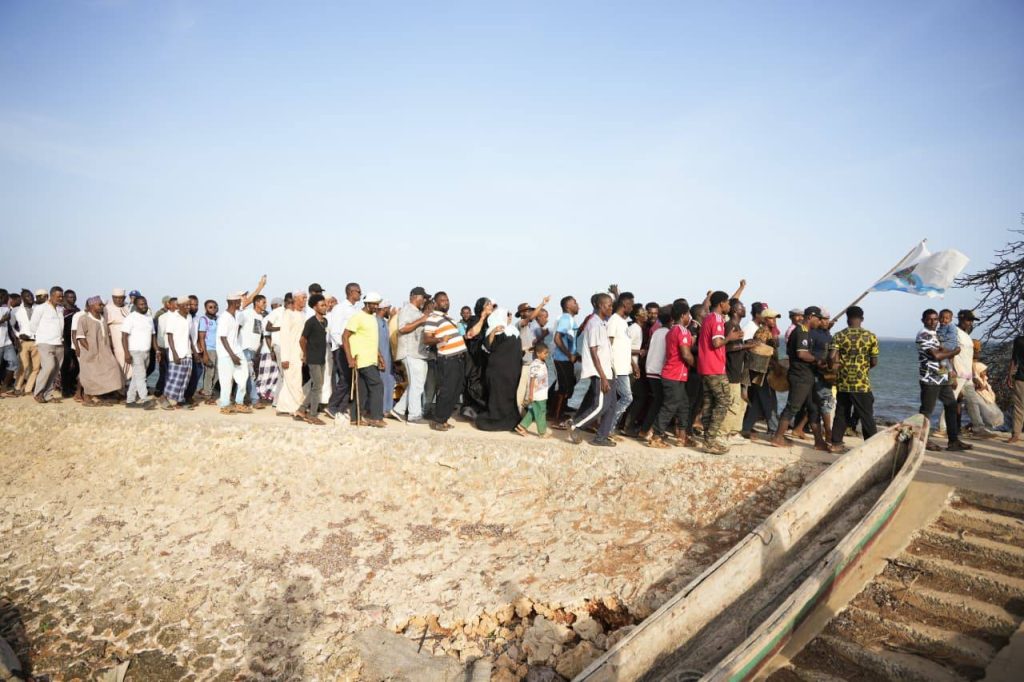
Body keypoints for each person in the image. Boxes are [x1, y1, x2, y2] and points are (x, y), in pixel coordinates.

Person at [770, 306, 829, 451]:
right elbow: (802, 354)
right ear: (810, 317)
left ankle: (819, 442)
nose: (820, 322)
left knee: (814, 407)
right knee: (792, 407)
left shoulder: (806, 331)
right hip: (800, 376)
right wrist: (818, 360)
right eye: (818, 319)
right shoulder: (801, 331)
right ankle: (778, 437)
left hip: (807, 375)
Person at [423, 292, 485, 431]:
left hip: (459, 358)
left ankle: (444, 419)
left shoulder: (449, 318)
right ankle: (438, 421)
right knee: (447, 391)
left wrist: (466, 336)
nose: (446, 302)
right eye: (442, 300)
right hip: (447, 359)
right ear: (435, 303)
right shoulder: (433, 318)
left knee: (456, 391)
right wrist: (440, 339)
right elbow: (426, 339)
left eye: (447, 300)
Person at [915, 308, 972, 452]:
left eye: (935, 319)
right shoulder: (924, 334)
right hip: (929, 378)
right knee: (926, 411)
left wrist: (950, 373)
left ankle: (953, 441)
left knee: (951, 405)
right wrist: (955, 351)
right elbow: (936, 356)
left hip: (941, 377)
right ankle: (923, 440)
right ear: (923, 320)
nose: (933, 322)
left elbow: (942, 355)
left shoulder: (935, 334)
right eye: (929, 319)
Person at [568, 293, 618, 447]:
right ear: (601, 306)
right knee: (600, 405)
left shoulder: (602, 323)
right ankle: (575, 425)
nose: (611, 308)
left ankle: (601, 437)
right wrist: (603, 376)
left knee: (611, 406)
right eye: (609, 305)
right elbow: (593, 352)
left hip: (608, 370)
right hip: (601, 372)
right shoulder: (595, 324)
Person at [939, 310, 997, 439]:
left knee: (973, 402)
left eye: (971, 321)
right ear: (960, 319)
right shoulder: (954, 332)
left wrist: (975, 376)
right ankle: (942, 428)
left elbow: (969, 358)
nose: (970, 323)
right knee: (950, 401)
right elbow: (947, 353)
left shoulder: (967, 336)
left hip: (968, 376)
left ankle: (978, 428)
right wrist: (950, 373)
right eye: (968, 320)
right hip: (957, 374)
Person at [698, 291, 744, 454]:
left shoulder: (708, 318)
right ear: (721, 304)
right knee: (724, 402)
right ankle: (710, 440)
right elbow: (717, 343)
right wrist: (730, 338)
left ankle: (708, 440)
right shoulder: (717, 319)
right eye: (728, 303)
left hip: (705, 367)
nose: (729, 306)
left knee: (709, 403)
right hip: (715, 368)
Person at [828, 306, 879, 452]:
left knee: (841, 412)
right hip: (861, 382)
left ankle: (836, 443)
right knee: (866, 415)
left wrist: (834, 367)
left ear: (847, 319)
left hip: (843, 381)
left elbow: (831, 357)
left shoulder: (839, 335)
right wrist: (863, 368)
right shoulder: (870, 336)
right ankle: (872, 445)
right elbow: (874, 361)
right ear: (862, 318)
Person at [649, 302, 695, 448]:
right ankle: (656, 436)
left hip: (675, 374)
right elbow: (686, 354)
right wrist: (697, 365)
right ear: (683, 315)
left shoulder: (671, 331)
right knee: (670, 406)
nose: (689, 318)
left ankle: (682, 437)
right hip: (674, 374)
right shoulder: (681, 331)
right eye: (688, 314)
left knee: (683, 405)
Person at [476, 307, 524, 432]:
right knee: (499, 396)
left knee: (506, 396)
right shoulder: (497, 331)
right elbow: (488, 347)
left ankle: (506, 420)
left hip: (509, 371)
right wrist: (493, 332)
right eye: (507, 315)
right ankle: (499, 420)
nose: (510, 317)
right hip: (500, 371)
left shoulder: (512, 330)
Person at [343, 291, 386, 427]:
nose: (376, 307)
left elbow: (371, 339)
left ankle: (355, 418)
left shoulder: (372, 318)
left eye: (377, 304)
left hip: (371, 358)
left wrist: (380, 356)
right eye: (374, 304)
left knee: (362, 390)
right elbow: (345, 336)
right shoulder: (358, 317)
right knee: (377, 385)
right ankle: (376, 417)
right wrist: (349, 359)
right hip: (361, 358)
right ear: (367, 304)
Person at [392, 287, 433, 424]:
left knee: (416, 385)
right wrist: (422, 320)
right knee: (417, 386)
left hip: (419, 353)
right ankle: (414, 416)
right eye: (423, 297)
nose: (425, 300)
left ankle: (398, 410)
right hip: (410, 352)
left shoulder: (417, 312)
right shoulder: (407, 310)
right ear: (414, 296)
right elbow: (402, 328)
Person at [741, 308, 781, 439]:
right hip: (762, 371)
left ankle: (746, 428)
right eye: (771, 318)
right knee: (768, 400)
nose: (774, 321)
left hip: (761, 371)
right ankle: (774, 430)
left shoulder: (767, 331)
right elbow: (761, 352)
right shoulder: (763, 332)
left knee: (758, 402)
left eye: (775, 318)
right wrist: (774, 364)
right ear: (764, 319)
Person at [75, 296, 124, 404]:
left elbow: (107, 335)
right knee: (90, 374)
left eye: (102, 304)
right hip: (90, 352)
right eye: (100, 304)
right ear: (92, 306)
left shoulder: (102, 318)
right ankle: (87, 396)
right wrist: (89, 349)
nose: (102, 306)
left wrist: (110, 347)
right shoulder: (84, 318)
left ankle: (109, 393)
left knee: (113, 369)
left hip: (105, 351)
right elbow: (80, 337)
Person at [327, 282, 362, 420]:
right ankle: (332, 406)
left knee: (351, 379)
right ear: (351, 292)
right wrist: (344, 347)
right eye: (358, 291)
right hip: (342, 348)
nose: (360, 294)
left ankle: (341, 408)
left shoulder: (356, 310)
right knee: (345, 378)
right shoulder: (340, 308)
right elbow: (335, 331)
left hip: (353, 349)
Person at [216, 292, 252, 415]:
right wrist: (232, 355)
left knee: (243, 376)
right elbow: (222, 337)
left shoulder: (236, 315)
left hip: (237, 351)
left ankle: (239, 403)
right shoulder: (224, 317)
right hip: (226, 354)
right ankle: (225, 405)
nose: (241, 302)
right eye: (239, 301)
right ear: (234, 302)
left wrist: (260, 286)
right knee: (226, 380)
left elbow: (248, 301)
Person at [121, 295, 157, 409]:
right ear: (136, 306)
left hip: (146, 351)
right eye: (141, 304)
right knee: (141, 376)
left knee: (137, 377)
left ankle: (130, 400)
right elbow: (124, 336)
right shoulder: (130, 318)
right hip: (135, 351)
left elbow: (153, 335)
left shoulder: (149, 318)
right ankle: (145, 399)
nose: (144, 306)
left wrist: (157, 350)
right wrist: (126, 353)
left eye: (145, 303)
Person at [276, 291, 308, 418]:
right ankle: (296, 407)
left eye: (306, 298)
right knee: (292, 380)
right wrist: (285, 358)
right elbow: (284, 337)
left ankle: (283, 407)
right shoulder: (288, 314)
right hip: (289, 354)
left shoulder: (303, 315)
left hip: (299, 352)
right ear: (295, 299)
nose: (305, 300)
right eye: (303, 298)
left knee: (293, 380)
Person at [31, 286, 66, 403]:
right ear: (51, 296)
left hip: (59, 342)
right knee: (48, 367)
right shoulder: (41, 308)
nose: (60, 298)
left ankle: (47, 395)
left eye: (61, 296)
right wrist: (41, 336)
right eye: (58, 296)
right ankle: (38, 393)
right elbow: (33, 326)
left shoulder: (60, 309)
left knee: (55, 370)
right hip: (45, 342)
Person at [514, 297, 550, 409]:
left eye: (530, 310)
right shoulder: (520, 324)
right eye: (527, 310)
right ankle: (519, 412)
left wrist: (541, 337)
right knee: (521, 392)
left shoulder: (529, 327)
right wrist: (542, 304)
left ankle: (525, 413)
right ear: (521, 313)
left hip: (531, 363)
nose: (530, 312)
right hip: (525, 364)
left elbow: (532, 343)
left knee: (530, 393)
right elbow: (530, 318)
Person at [299, 294, 330, 425]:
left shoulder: (325, 321)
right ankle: (312, 415)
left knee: (317, 385)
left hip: (321, 358)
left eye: (325, 305)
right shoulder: (310, 322)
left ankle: (301, 410)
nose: (325, 307)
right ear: (315, 307)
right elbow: (302, 340)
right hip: (313, 359)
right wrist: (305, 355)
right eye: (322, 305)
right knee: (317, 386)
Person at [607, 295, 636, 433]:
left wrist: (633, 364)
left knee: (620, 399)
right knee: (626, 398)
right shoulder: (614, 320)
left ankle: (608, 427)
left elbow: (625, 347)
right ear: (625, 305)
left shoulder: (623, 322)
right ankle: (609, 428)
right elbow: (608, 344)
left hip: (624, 368)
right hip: (616, 368)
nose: (632, 308)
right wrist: (609, 366)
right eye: (631, 305)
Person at [551, 295, 580, 424]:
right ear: (568, 306)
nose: (578, 305)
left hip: (566, 359)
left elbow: (569, 341)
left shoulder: (570, 319)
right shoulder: (566, 318)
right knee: (564, 388)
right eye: (575, 303)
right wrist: (569, 355)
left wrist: (576, 355)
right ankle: (556, 417)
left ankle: (558, 413)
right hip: (562, 359)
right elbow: (557, 338)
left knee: (568, 386)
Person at [163, 294, 195, 410]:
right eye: (186, 305)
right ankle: (165, 399)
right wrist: (174, 353)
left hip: (187, 353)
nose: (188, 307)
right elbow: (170, 336)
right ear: (179, 306)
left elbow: (189, 336)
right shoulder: (173, 317)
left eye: (189, 305)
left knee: (184, 379)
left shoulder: (189, 317)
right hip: (177, 353)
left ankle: (178, 401)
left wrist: (194, 352)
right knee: (173, 379)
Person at [238, 294, 268, 408]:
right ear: (256, 303)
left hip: (253, 351)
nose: (265, 304)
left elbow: (259, 336)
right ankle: (254, 400)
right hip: (245, 348)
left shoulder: (261, 317)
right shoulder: (247, 313)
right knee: (250, 375)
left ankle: (241, 399)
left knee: (246, 375)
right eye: (263, 302)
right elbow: (237, 327)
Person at [516, 342, 551, 437]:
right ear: (538, 353)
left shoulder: (542, 363)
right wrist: (531, 394)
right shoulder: (536, 365)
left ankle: (521, 426)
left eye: (547, 353)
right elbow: (532, 380)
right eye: (545, 353)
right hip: (537, 393)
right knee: (541, 412)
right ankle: (542, 432)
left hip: (542, 392)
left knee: (534, 411)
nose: (547, 355)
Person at [13, 290, 40, 396]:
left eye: (31, 295)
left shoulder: (38, 309)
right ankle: (17, 387)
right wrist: (19, 335)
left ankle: (28, 389)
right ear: (22, 298)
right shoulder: (16, 311)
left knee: (36, 367)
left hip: (37, 341)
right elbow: (11, 326)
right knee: (24, 366)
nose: (30, 297)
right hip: (23, 342)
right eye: (27, 296)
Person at [105, 288, 130, 385]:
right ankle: (119, 386)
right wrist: (109, 342)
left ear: (124, 298)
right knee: (119, 361)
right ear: (112, 297)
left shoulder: (128, 307)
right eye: (116, 298)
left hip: (129, 338)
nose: (118, 300)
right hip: (115, 338)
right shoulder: (107, 308)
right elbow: (105, 326)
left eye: (120, 298)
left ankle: (124, 385)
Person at [196, 300, 220, 402]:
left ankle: (206, 390)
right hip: (209, 349)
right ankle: (207, 395)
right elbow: (201, 337)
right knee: (209, 372)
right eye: (210, 307)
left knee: (218, 373)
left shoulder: (218, 319)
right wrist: (204, 353)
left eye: (215, 307)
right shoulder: (204, 320)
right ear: (206, 308)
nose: (213, 309)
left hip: (218, 349)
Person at [376, 301, 397, 414]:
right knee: (382, 383)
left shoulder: (384, 322)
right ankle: (381, 409)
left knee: (389, 382)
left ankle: (388, 408)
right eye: (389, 309)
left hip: (388, 359)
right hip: (381, 359)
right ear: (384, 309)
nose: (390, 311)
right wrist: (379, 357)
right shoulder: (376, 322)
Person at [60, 289, 81, 398]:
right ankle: (65, 389)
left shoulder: (77, 311)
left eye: (74, 297)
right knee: (66, 365)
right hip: (65, 340)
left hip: (75, 340)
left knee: (77, 365)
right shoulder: (61, 311)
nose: (72, 299)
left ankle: (71, 384)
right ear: (65, 298)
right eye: (70, 297)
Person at [0, 292, 19, 395]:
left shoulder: (6, 310)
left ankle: (5, 387)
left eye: (5, 297)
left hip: (7, 342)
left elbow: (9, 326)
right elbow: (3, 321)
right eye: (3, 297)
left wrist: (14, 338)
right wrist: (1, 320)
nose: (5, 299)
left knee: (14, 363)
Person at [1011, 333, 1024, 446]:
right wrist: (1010, 375)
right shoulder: (1019, 341)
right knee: (1019, 406)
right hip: (1020, 377)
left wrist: (1010, 375)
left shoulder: (1019, 340)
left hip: (1021, 377)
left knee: (1019, 407)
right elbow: (1014, 359)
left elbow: (1014, 359)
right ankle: (1015, 433)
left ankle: (1015, 434)